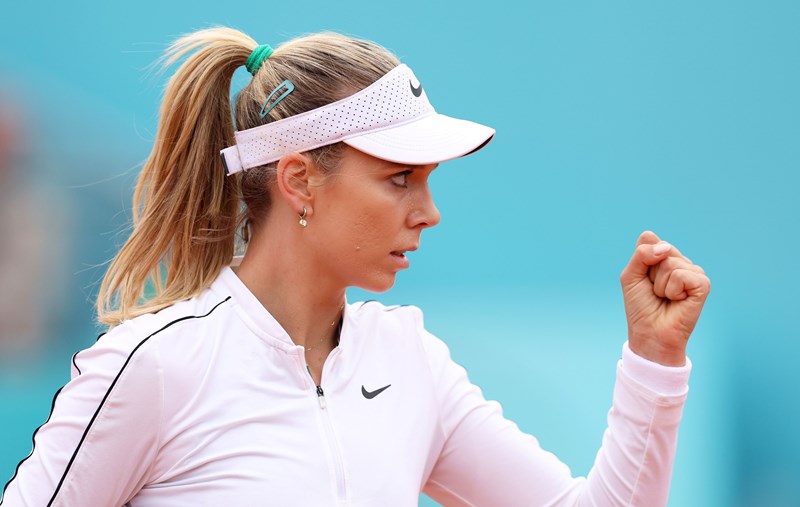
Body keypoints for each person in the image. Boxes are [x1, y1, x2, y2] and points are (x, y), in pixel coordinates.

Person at [0, 26, 710, 506]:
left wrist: (654, 357)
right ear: (300, 179)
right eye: (400, 177)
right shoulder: (154, 364)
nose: (428, 211)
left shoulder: (412, 361)